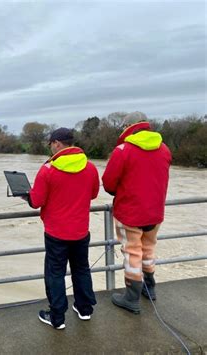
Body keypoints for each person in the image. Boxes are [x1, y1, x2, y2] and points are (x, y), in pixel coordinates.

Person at [25, 127, 99, 330]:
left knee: (55, 274)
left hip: (56, 233)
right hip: (81, 230)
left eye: (50, 144)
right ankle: (85, 310)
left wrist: (27, 196)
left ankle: (57, 317)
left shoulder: (48, 169)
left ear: (57, 143)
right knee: (82, 269)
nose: (50, 148)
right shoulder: (90, 167)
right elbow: (93, 194)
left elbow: (37, 200)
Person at [102, 112, 171, 314]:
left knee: (132, 252)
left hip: (130, 212)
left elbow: (108, 183)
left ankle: (131, 297)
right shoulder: (164, 148)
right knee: (148, 248)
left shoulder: (123, 150)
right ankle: (149, 288)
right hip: (155, 212)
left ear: (129, 126)